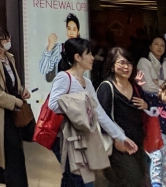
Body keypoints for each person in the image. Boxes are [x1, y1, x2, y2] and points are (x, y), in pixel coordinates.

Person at [49, 37, 137, 187]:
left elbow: (99, 112)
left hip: (82, 139)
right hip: (67, 139)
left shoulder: (87, 82)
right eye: (88, 54)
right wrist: (79, 106)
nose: (92, 58)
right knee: (81, 179)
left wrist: (120, 136)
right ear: (77, 57)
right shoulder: (64, 78)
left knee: (74, 180)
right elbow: (53, 104)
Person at [96, 46, 156, 187]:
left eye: (129, 63)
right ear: (112, 66)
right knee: (133, 179)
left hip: (138, 143)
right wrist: (117, 139)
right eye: (121, 63)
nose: (126, 67)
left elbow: (153, 104)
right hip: (118, 145)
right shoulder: (107, 87)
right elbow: (100, 118)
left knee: (139, 179)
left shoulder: (135, 87)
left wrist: (146, 105)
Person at [0, 25, 31, 187]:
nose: (8, 41)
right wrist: (15, 101)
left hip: (14, 113)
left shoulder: (10, 58)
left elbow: (13, 83)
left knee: (12, 154)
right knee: (12, 155)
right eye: (4, 39)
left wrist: (22, 91)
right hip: (1, 115)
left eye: (7, 37)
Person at [39, 12, 81, 82]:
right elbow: (44, 69)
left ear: (78, 32)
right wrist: (49, 48)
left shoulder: (82, 50)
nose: (71, 33)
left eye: (74, 29)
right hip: (61, 90)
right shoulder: (59, 48)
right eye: (69, 28)